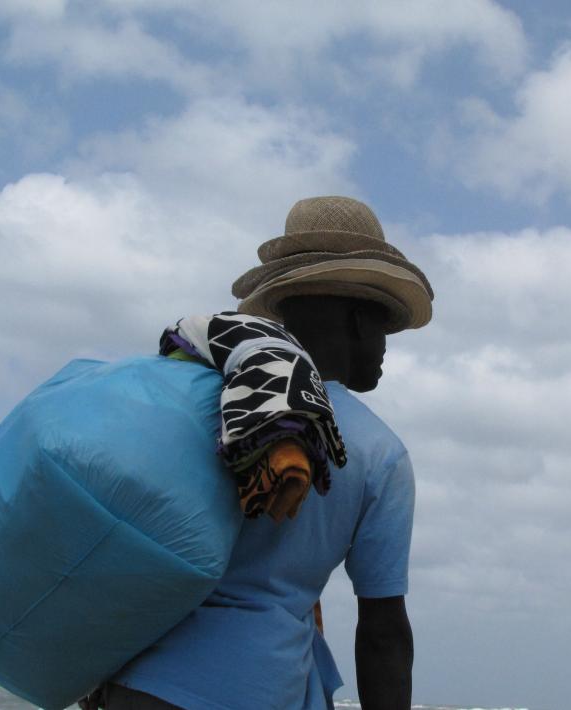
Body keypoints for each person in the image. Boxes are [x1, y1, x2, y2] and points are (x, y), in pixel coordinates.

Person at [101, 195, 434, 710]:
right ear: (358, 322)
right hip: (257, 688)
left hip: (135, 682)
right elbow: (382, 633)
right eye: (384, 328)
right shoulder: (378, 452)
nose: (386, 346)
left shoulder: (201, 399)